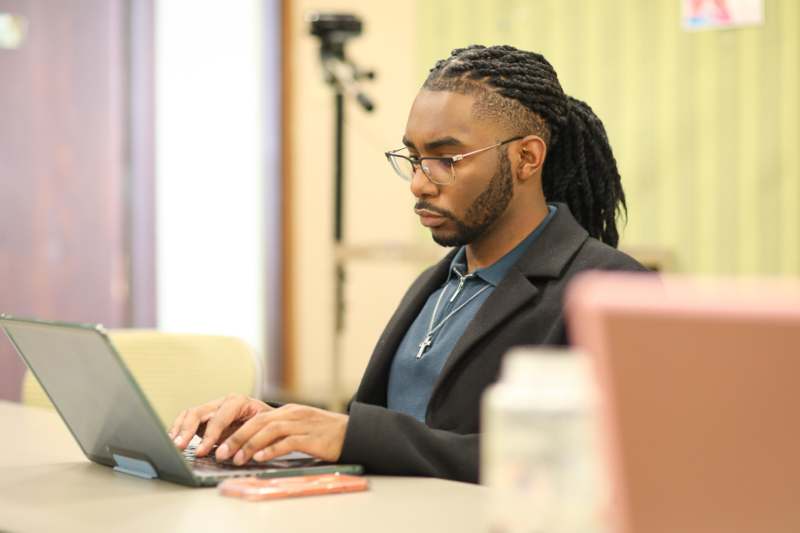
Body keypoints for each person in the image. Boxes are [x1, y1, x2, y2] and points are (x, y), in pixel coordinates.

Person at [169, 44, 648, 483]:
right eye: (414, 157)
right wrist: (275, 423)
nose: (418, 183)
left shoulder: (609, 290)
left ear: (526, 158)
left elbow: (595, 464)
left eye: (446, 159)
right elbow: (389, 427)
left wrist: (353, 435)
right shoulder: (436, 284)